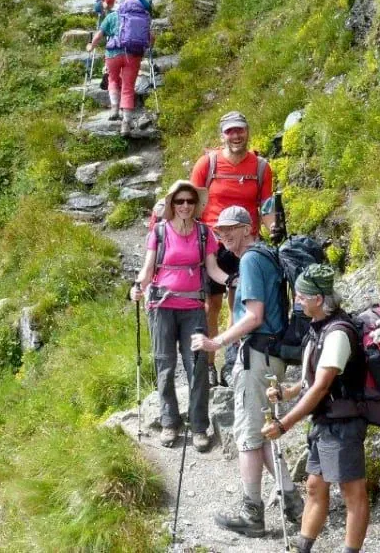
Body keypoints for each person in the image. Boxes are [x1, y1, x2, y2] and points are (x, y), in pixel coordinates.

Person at [192, 206, 302, 537]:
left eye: (229, 229)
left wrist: (217, 343)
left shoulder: (252, 260)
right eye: (219, 230)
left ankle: (251, 512)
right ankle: (293, 499)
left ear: (247, 228)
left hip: (257, 354)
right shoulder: (264, 256)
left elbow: (254, 315)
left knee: (247, 436)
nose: (222, 234)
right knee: (261, 432)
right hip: (269, 354)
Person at [262, 264, 370, 553]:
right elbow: (313, 379)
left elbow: (322, 387)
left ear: (319, 299)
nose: (297, 301)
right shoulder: (318, 329)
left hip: (343, 424)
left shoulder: (337, 334)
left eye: (301, 296)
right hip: (325, 423)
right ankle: (303, 549)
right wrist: (288, 391)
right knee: (314, 487)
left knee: (352, 492)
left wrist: (284, 424)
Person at [130, 181, 229, 452]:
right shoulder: (159, 232)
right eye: (179, 201)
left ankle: (199, 426)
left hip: (193, 308)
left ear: (196, 204)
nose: (185, 205)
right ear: (172, 204)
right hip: (161, 308)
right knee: (165, 365)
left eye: (189, 201)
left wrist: (233, 280)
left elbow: (212, 269)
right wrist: (137, 287)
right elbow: (148, 269)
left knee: (196, 365)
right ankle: (169, 422)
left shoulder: (204, 233)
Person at [191, 111, 275, 386]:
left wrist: (273, 229)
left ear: (247, 132)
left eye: (240, 130)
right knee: (209, 305)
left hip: (245, 243)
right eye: (230, 131)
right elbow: (191, 204)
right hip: (213, 243)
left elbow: (266, 207)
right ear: (222, 135)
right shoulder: (208, 164)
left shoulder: (261, 167)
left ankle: (232, 361)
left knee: (239, 302)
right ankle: (208, 365)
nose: (236, 136)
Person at [87, 0, 153, 134]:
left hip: (113, 55)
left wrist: (91, 47)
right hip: (133, 55)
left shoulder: (111, 17)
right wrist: (147, 48)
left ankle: (114, 108)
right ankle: (126, 124)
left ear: (117, 5)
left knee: (112, 79)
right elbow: (151, 39)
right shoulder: (142, 18)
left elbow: (99, 35)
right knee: (128, 87)